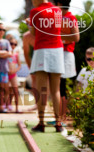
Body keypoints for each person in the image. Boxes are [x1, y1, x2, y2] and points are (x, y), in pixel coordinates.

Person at [29, 0, 65, 132]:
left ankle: (41, 123)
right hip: (57, 50)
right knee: (56, 90)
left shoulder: (35, 12)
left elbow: (34, 33)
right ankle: (58, 124)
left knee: (42, 90)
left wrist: (29, 24)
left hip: (42, 51)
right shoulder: (58, 10)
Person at [53, 0, 80, 123]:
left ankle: (62, 119)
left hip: (66, 56)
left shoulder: (70, 18)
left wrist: (57, 37)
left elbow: (76, 37)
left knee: (63, 88)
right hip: (59, 54)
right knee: (59, 88)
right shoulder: (59, 18)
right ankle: (59, 118)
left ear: (59, 3)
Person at [0, 23, 12, 113]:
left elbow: (10, 53)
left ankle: (2, 106)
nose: (2, 31)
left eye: (4, 30)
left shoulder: (6, 42)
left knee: (3, 89)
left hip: (4, 68)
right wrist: (4, 52)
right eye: (0, 29)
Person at [7, 37, 21, 113]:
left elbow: (19, 65)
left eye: (15, 44)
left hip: (13, 74)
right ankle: (8, 105)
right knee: (7, 91)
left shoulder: (16, 54)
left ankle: (17, 107)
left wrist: (14, 71)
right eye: (11, 43)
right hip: (7, 73)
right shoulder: (6, 54)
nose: (13, 45)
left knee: (15, 90)